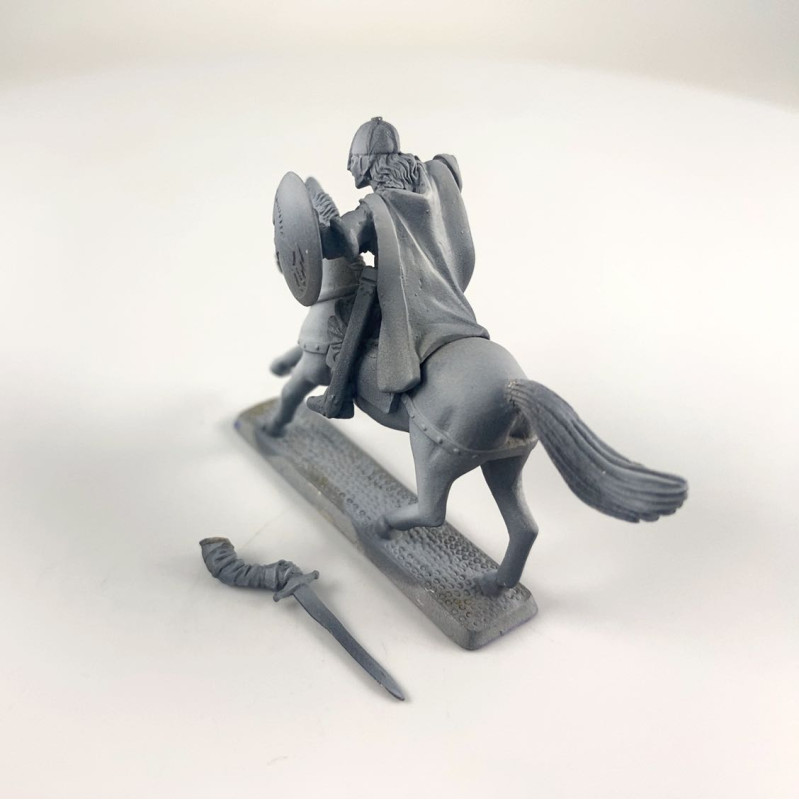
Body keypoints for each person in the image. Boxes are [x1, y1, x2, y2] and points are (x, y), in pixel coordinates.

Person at [315, 117, 489, 417]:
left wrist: (313, 233)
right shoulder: (433, 180)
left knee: (345, 320)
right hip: (448, 295)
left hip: (408, 302)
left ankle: (337, 397)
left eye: (353, 161)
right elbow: (448, 167)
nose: (349, 168)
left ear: (366, 163)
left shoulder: (374, 208)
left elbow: (342, 239)